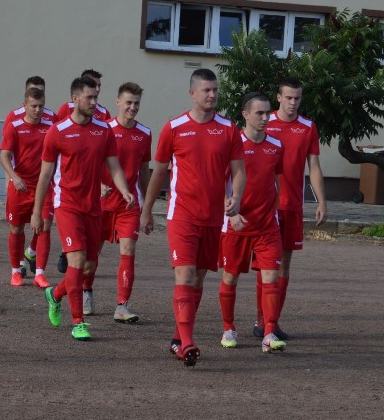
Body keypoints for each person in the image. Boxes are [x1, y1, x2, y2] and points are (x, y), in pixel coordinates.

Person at [140, 68, 245, 367]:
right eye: (206, 90)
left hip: (213, 219)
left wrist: (236, 197)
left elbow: (239, 171)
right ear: (192, 93)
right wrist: (147, 211)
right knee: (184, 275)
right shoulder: (174, 127)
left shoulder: (228, 129)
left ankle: (178, 336)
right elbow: (158, 171)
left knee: (198, 280)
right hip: (181, 215)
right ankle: (186, 343)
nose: (212, 95)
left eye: (215, 90)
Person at [32, 76, 133, 342]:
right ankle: (78, 322)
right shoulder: (58, 131)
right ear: (75, 98)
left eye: (96, 97)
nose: (93, 102)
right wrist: (37, 213)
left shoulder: (103, 130)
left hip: (93, 207)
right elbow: (44, 176)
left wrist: (124, 189)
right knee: (76, 262)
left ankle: (54, 295)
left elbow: (113, 166)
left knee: (87, 267)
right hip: (67, 205)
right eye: (89, 97)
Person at [255, 77, 327, 340]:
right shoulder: (264, 122)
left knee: (283, 265)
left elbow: (314, 167)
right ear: (278, 97)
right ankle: (260, 321)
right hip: (265, 207)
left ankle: (273, 322)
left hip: (292, 206)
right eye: (288, 97)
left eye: (297, 98)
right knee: (264, 265)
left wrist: (321, 200)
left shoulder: (308, 127)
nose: (293, 102)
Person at [217, 92, 286, 353]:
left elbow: (274, 182)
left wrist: (276, 212)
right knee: (231, 277)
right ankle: (228, 327)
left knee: (271, 278)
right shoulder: (232, 145)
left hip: (267, 227)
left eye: (268, 112)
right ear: (245, 115)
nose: (265, 117)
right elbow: (219, 183)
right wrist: (231, 213)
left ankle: (268, 332)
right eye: (259, 113)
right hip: (237, 225)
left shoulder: (276, 146)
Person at [82, 82, 151, 323]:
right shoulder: (103, 129)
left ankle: (122, 306)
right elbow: (88, 164)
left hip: (128, 206)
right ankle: (86, 291)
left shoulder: (145, 133)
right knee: (91, 257)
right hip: (99, 205)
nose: (133, 108)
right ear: (117, 102)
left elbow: (144, 173)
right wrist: (96, 185)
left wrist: (148, 209)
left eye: (137, 104)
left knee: (128, 251)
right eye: (128, 102)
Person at [55, 69, 110, 277]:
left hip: (92, 192)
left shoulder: (103, 115)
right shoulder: (65, 111)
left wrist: (101, 183)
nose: (96, 91)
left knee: (87, 259)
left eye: (98, 88)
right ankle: (67, 253)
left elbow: (102, 154)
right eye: (92, 86)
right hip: (68, 188)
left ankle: (86, 270)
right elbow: (59, 143)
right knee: (76, 256)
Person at [0, 87, 53, 288]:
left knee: (45, 225)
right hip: (20, 186)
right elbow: (4, 156)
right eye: (33, 106)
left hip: (44, 186)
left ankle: (40, 273)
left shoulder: (50, 127)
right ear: (25, 106)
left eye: (40, 106)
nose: (37, 110)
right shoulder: (14, 126)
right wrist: (14, 177)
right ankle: (15, 271)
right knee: (16, 228)